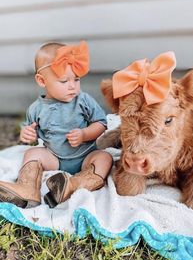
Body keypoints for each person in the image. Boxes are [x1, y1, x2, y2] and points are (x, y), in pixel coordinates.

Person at [0, 41, 113, 208]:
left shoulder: (83, 100)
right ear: (42, 81)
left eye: (76, 79)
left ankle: (73, 185)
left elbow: (101, 123)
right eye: (64, 81)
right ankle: (28, 189)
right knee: (32, 153)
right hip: (55, 158)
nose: (72, 86)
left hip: (85, 156)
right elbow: (30, 133)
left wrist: (84, 134)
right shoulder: (36, 109)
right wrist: (27, 134)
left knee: (105, 158)